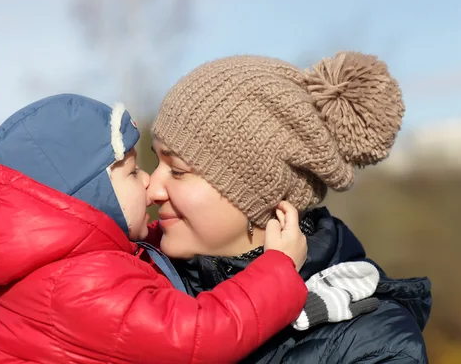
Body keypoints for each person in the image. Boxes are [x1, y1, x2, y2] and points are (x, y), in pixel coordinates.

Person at [0, 93, 310, 364]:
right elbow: (199, 337)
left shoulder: (66, 268)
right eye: (133, 172)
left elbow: (132, 260)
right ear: (90, 196)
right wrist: (277, 267)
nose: (149, 183)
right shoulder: (78, 285)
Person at [149, 52, 432, 363]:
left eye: (176, 170)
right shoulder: (138, 294)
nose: (152, 188)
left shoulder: (373, 344)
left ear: (259, 192)